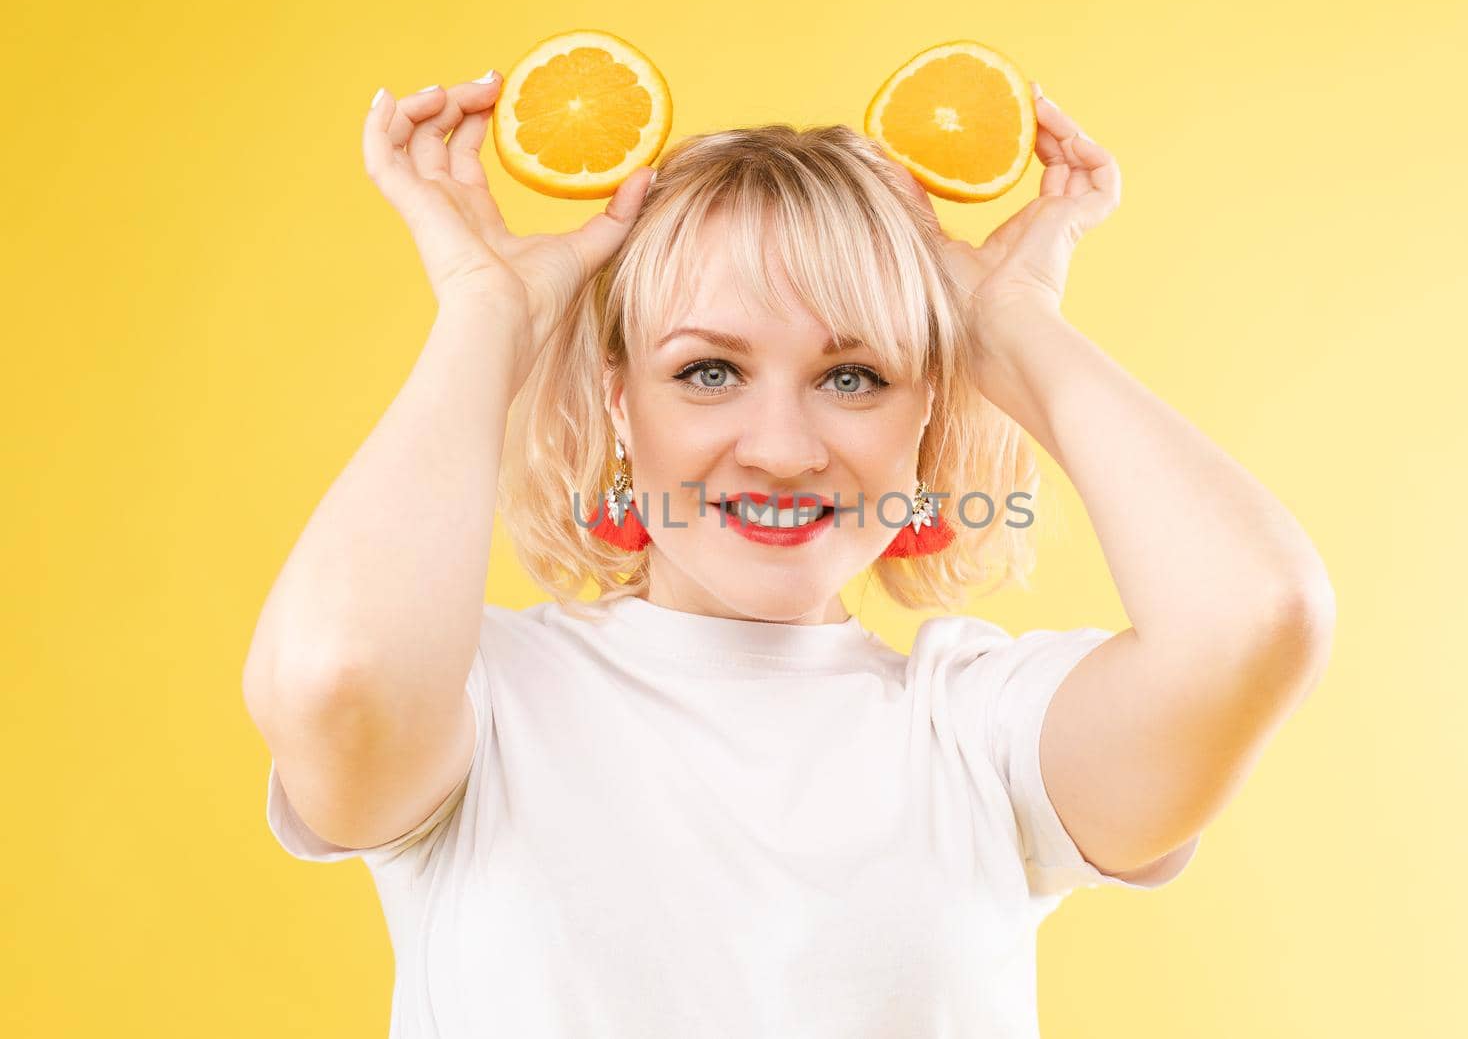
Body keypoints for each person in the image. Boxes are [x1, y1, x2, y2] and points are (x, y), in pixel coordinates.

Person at [243, 67, 1336, 1038]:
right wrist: (485, 315)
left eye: (852, 375)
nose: (779, 449)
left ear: (926, 409)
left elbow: (1252, 620)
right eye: (708, 371)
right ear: (620, 400)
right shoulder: (479, 704)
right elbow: (335, 675)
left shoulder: (979, 730)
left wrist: (1006, 325)